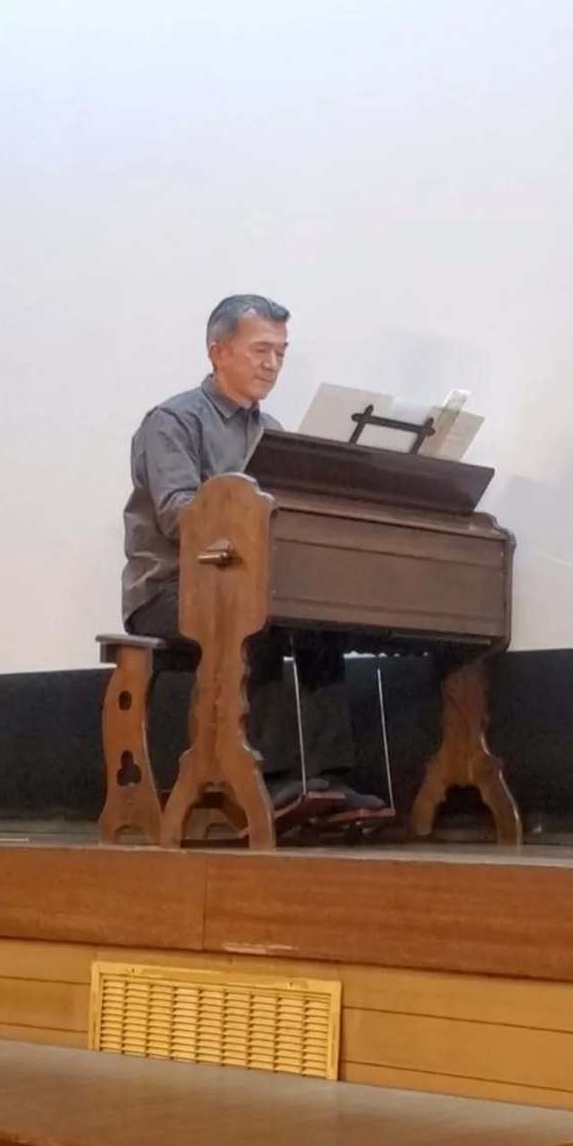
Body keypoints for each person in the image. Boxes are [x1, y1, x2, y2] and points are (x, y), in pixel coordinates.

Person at [121, 293, 383, 813]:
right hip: (170, 588)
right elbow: (178, 516)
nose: (272, 364)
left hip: (242, 583)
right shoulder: (172, 421)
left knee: (316, 622)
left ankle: (324, 778)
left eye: (281, 353)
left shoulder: (272, 433)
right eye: (261, 350)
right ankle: (268, 777)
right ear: (218, 351)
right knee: (254, 614)